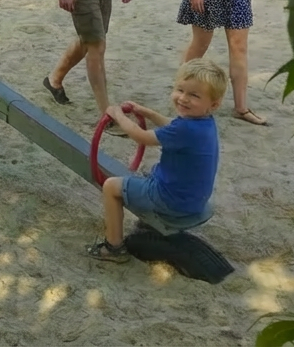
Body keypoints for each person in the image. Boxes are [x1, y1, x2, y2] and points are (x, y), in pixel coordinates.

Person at [87, 59, 228, 262]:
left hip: (171, 201)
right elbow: (171, 125)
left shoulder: (185, 128)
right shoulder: (203, 122)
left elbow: (141, 137)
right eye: (180, 90)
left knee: (111, 187)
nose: (183, 98)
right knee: (151, 170)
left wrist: (118, 115)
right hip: (193, 199)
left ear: (213, 104)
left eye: (194, 95)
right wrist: (147, 112)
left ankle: (113, 247)